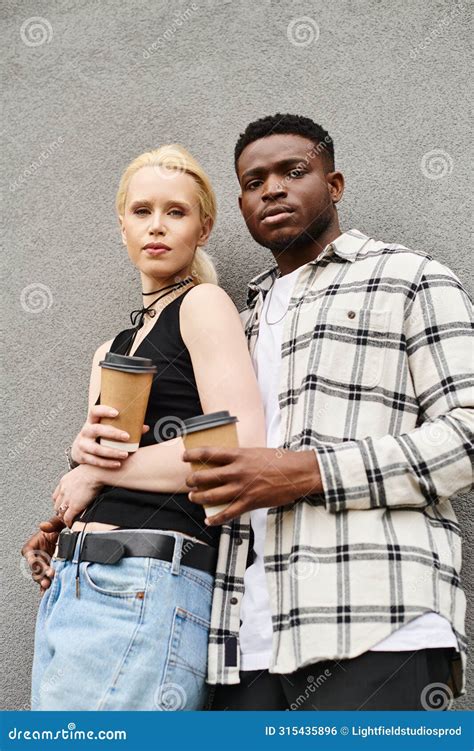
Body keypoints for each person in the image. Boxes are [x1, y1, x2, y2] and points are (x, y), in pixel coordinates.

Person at [181, 114, 473, 710]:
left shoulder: (410, 279)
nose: (273, 189)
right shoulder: (236, 329)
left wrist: (308, 472)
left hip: (381, 625)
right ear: (241, 203)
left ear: (334, 184)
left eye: (294, 171)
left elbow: (467, 433)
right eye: (254, 181)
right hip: (241, 649)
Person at [25, 144, 265, 711]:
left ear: (204, 227)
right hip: (78, 583)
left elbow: (237, 445)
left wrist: (96, 472)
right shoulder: (112, 349)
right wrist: (65, 513)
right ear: (122, 224)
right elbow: (109, 464)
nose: (157, 226)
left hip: (145, 580)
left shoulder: (203, 304)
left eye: (176, 212)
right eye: (142, 211)